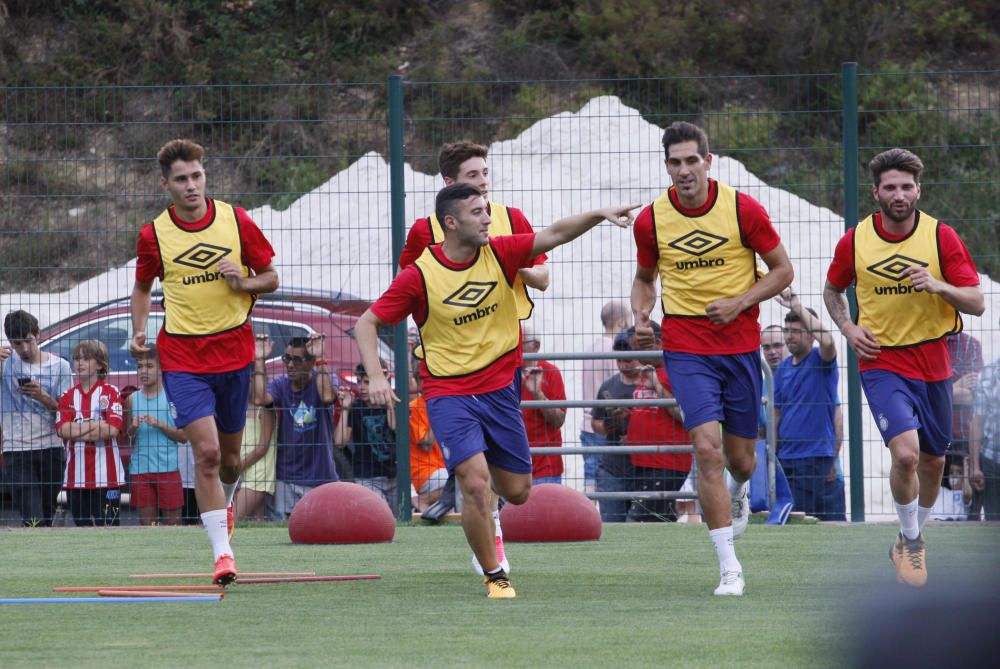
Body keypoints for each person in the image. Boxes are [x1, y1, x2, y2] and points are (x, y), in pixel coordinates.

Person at [354, 182, 638, 598]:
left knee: (518, 492)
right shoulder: (420, 275)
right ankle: (495, 576)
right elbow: (366, 323)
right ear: (451, 223)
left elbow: (554, 234)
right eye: (477, 212)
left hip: (501, 388)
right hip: (449, 392)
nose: (488, 217)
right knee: (474, 484)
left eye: (487, 210)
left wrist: (598, 214)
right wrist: (377, 376)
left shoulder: (501, 252)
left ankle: (487, 503)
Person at [630, 121, 794, 596]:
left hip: (739, 345)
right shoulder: (652, 219)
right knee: (706, 448)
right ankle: (729, 566)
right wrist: (642, 313)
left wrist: (740, 302)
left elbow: (783, 271)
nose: (684, 170)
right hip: (685, 344)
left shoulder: (743, 209)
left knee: (742, 461)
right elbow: (645, 278)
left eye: (691, 160)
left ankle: (740, 491)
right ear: (666, 167)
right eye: (675, 163)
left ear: (708, 161)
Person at [824, 148, 984, 587]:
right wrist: (847, 328)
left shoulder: (940, 237)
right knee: (907, 454)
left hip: (935, 361)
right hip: (881, 361)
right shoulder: (855, 240)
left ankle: (905, 538)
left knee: (933, 463)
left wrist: (937, 285)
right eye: (890, 187)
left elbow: (977, 303)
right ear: (875, 192)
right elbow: (832, 290)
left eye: (906, 186)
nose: (898, 194)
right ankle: (913, 544)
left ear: (919, 190)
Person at [130, 138, 279, 585]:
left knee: (231, 460)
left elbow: (271, 277)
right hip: (182, 357)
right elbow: (141, 288)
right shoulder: (154, 234)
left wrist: (244, 282)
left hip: (234, 355)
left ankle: (225, 506)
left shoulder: (236, 221)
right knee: (208, 453)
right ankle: (222, 554)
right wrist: (139, 331)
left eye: (197, 176)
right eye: (181, 179)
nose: (191, 185)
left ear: (204, 176)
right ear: (165, 184)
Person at [398, 141, 551, 574]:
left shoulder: (509, 220)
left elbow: (543, 276)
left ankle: (489, 509)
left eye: (485, 173)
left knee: (515, 485)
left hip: (503, 356)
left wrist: (509, 265)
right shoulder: (425, 231)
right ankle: (488, 537)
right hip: (447, 366)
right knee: (475, 475)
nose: (482, 183)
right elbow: (409, 287)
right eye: (472, 177)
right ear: (449, 185)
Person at [252, 334, 338, 519]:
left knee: (322, 531)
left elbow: (327, 397)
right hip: (287, 477)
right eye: (287, 358)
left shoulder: (323, 379)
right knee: (284, 534)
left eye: (297, 360)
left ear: (310, 362)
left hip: (321, 476)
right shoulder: (280, 384)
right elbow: (259, 398)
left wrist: (321, 358)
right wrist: (259, 359)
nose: (290, 365)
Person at [0, 310, 74, 527]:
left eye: (28, 341)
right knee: (33, 518)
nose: (24, 349)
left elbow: (67, 412)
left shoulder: (60, 366)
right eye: (17, 344)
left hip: (50, 447)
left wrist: (43, 397)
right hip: (17, 449)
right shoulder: (5, 363)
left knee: (46, 516)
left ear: (38, 334)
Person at [772, 289, 841, 519]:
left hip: (813, 457)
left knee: (803, 518)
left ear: (811, 335)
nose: (789, 336)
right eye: (787, 331)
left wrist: (796, 306)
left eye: (796, 331)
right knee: (792, 518)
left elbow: (829, 340)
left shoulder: (821, 361)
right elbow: (776, 415)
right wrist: (773, 454)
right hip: (785, 457)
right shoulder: (781, 369)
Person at [616, 326, 692, 522]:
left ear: (656, 343)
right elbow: (654, 412)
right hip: (644, 461)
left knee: (639, 519)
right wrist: (630, 418)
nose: (636, 355)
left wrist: (657, 387)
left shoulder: (676, 370)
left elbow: (686, 414)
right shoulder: (651, 369)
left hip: (666, 462)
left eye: (638, 349)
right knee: (660, 519)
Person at [55, 340, 126, 526]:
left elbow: (112, 429)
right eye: (77, 358)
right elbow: (63, 430)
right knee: (82, 530)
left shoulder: (111, 392)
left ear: (101, 364)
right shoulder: (67, 396)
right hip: (75, 480)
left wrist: (76, 428)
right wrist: (97, 424)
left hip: (108, 479)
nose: (80, 363)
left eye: (86, 359)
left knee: (109, 528)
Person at [124, 345, 187, 526]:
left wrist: (160, 425)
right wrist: (133, 428)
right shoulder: (132, 399)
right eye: (140, 366)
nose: (143, 371)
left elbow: (183, 437)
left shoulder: (171, 397)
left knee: (173, 523)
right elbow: (129, 438)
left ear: (161, 368)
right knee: (147, 524)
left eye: (149, 366)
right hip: (140, 470)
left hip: (168, 468)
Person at [580, 302, 632, 494]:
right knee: (608, 476)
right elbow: (617, 386)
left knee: (589, 475)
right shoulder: (614, 351)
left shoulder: (590, 349)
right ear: (621, 322)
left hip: (587, 423)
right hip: (608, 423)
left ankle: (586, 517)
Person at [591, 330, 642, 522]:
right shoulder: (608, 386)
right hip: (613, 467)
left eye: (628, 360)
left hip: (643, 468)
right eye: (619, 360)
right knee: (612, 523)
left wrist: (631, 420)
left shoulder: (650, 385)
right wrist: (606, 426)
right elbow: (594, 422)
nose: (623, 365)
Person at [334, 359, 397, 512]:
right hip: (366, 476)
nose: (361, 387)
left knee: (400, 517)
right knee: (382, 514)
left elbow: (396, 428)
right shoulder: (356, 407)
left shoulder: (395, 403)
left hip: (394, 475)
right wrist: (345, 409)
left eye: (367, 382)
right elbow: (340, 441)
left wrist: (389, 406)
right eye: (359, 381)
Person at [521, 324, 567, 485]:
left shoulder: (551, 372)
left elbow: (558, 420)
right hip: (513, 469)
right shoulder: (506, 375)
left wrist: (537, 394)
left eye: (519, 344)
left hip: (545, 469)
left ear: (536, 346)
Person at [947, 332, 983, 519]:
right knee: (936, 509)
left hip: (966, 436)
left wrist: (943, 391)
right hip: (934, 439)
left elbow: (975, 397)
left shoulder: (971, 345)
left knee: (971, 510)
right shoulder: (924, 344)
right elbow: (923, 397)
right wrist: (958, 385)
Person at [408, 364, 449, 512]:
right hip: (424, 471)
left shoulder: (446, 403)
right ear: (418, 383)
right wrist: (436, 412)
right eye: (424, 380)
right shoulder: (414, 407)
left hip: (444, 467)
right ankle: (420, 500)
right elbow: (426, 444)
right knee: (458, 479)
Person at [233, 398, 276, 521]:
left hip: (259, 473)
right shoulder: (241, 405)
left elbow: (262, 448)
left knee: (232, 520)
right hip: (245, 470)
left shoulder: (265, 407)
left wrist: (237, 468)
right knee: (255, 522)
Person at [970, 348, 1000, 520]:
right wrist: (975, 467)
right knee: (994, 521)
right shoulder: (988, 374)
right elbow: (977, 423)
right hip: (992, 460)